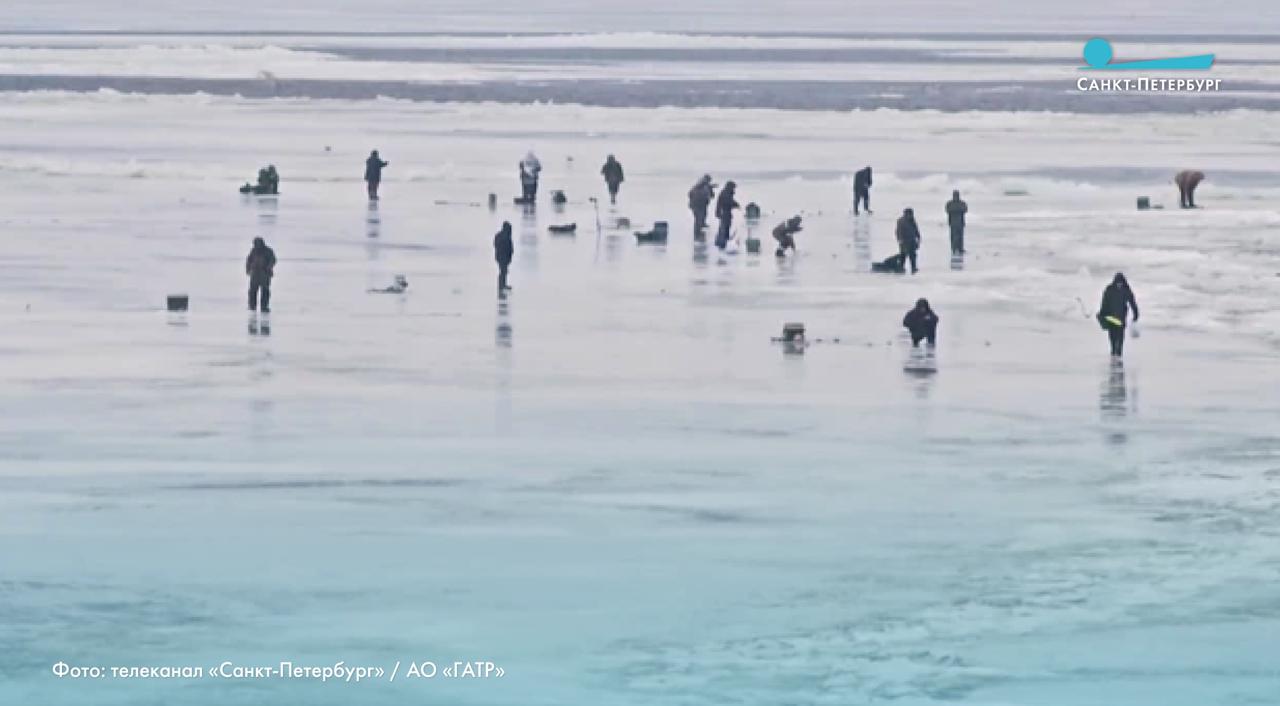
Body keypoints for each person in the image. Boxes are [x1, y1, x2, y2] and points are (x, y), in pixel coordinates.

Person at [1097, 273, 1140, 357]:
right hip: (1111, 319)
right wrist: (1102, 313)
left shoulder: (1126, 290)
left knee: (1120, 340)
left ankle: (1118, 354)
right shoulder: (1109, 289)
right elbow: (1104, 302)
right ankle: (1114, 353)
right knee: (1112, 339)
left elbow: (1132, 302)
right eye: (1118, 283)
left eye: (1121, 283)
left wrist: (1136, 314)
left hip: (1121, 319)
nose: (1119, 285)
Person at [245, 237, 276, 313]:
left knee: (265, 291)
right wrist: (248, 269)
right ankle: (252, 306)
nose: (256, 245)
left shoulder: (268, 251)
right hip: (255, 273)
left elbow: (273, 260)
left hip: (264, 273)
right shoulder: (253, 251)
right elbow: (249, 260)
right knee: (252, 291)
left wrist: (269, 267)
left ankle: (264, 306)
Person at [896, 207, 921, 274]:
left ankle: (914, 267)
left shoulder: (912, 220)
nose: (911, 215)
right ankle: (901, 267)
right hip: (904, 241)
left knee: (913, 255)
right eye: (910, 214)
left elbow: (916, 229)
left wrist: (918, 237)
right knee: (903, 255)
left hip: (912, 240)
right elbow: (898, 231)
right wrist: (900, 239)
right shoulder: (901, 221)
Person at [715, 180, 739, 249]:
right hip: (724, 212)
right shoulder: (725, 193)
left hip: (725, 212)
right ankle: (721, 242)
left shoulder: (727, 192)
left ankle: (723, 241)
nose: (734, 189)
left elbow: (730, 201)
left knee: (725, 227)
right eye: (733, 187)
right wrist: (735, 204)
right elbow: (728, 202)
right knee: (723, 227)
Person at [494, 221, 514, 293]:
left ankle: (502, 285)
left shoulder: (499, 235)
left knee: (503, 271)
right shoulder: (506, 236)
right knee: (503, 271)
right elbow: (509, 247)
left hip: (500, 256)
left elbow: (495, 245)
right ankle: (502, 285)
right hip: (503, 257)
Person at [945, 190, 967, 255]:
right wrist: (958, 210)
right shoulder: (950, 203)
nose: (956, 197)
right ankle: (954, 249)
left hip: (960, 222)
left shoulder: (961, 203)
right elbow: (948, 210)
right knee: (954, 237)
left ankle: (960, 249)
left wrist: (955, 210)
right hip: (953, 223)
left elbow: (965, 209)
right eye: (955, 195)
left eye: (956, 195)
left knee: (960, 236)